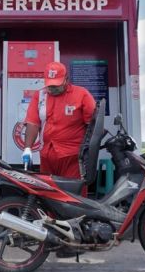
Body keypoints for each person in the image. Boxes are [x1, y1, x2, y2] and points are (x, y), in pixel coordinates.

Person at [23, 61, 96, 193]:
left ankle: (77, 215)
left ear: (66, 79)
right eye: (50, 85)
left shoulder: (82, 95)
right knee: (49, 195)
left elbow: (93, 125)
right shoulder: (39, 96)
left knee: (74, 196)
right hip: (47, 156)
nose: (52, 89)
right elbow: (33, 123)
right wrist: (27, 148)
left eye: (56, 85)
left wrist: (88, 151)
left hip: (73, 157)